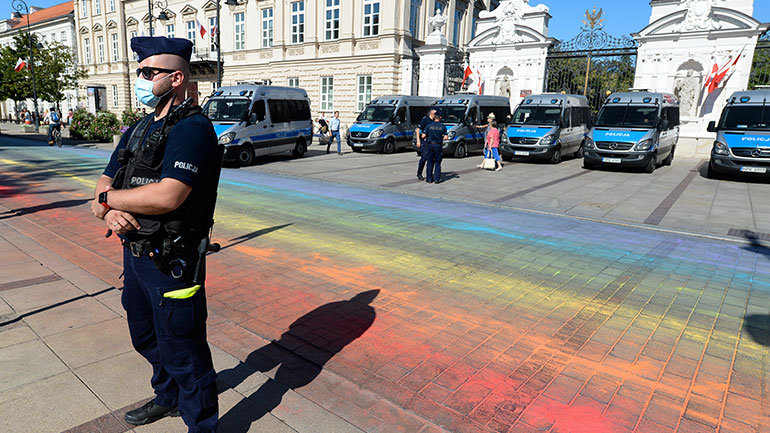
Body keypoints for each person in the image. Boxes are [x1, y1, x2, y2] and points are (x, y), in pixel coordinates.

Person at [90, 36, 222, 433]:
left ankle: (201, 424)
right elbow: (97, 199)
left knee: (184, 351)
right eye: (140, 71)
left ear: (176, 77)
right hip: (136, 257)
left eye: (149, 72)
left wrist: (111, 200)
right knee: (145, 337)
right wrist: (111, 211)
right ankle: (167, 398)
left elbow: (169, 195)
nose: (142, 78)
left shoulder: (193, 128)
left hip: (173, 262)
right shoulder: (138, 128)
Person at [422, 110, 449, 184]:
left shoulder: (429, 126)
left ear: (434, 118)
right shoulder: (443, 127)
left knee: (430, 162)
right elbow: (446, 137)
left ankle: (429, 178)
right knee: (437, 162)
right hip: (438, 145)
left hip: (430, 145)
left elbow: (423, 135)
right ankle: (437, 179)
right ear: (440, 118)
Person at [415, 108, 436, 181]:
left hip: (432, 142)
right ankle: (419, 173)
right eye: (435, 113)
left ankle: (429, 175)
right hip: (425, 142)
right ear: (432, 113)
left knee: (431, 159)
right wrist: (418, 141)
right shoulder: (425, 120)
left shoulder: (435, 121)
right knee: (424, 158)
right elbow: (418, 129)